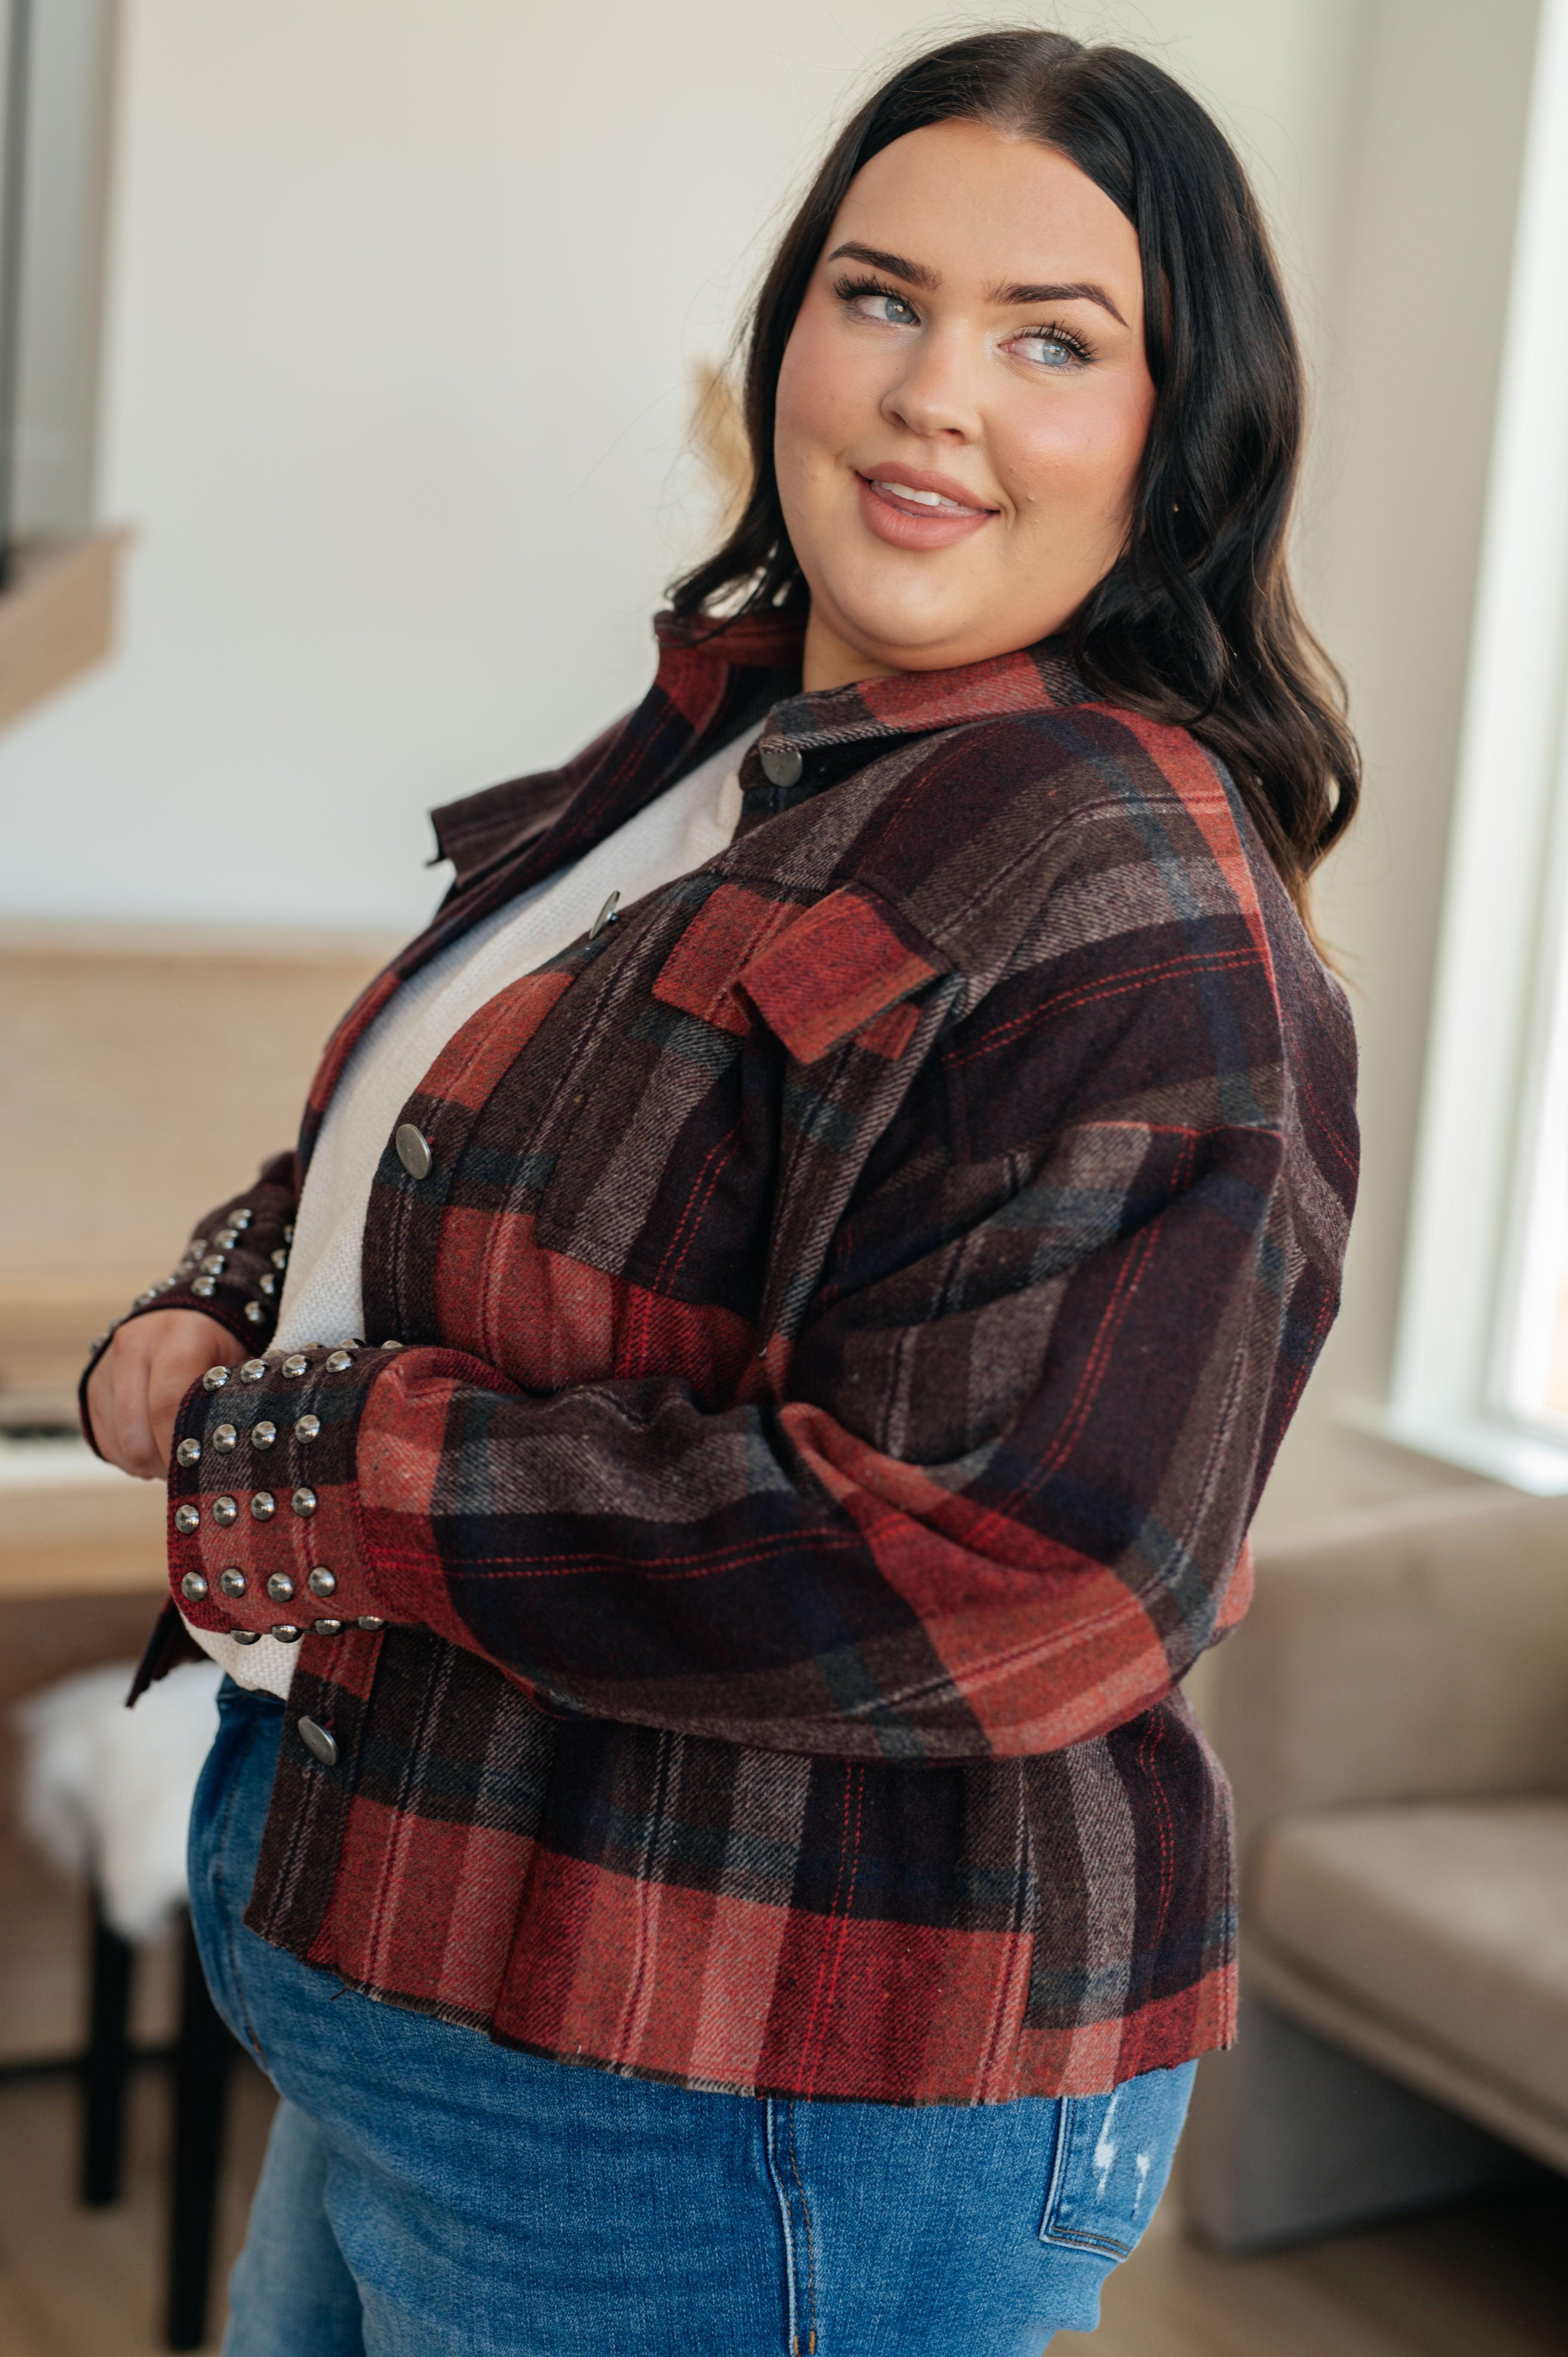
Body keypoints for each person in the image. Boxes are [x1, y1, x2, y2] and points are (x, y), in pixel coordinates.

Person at [83, 28, 1359, 2355]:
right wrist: (226, 1293)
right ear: (788, 336)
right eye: (880, 298)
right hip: (424, 1974)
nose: (930, 395)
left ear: (1181, 437)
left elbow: (1026, 1568)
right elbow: (438, 1131)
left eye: (1050, 340)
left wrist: (303, 1464)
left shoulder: (1130, 902)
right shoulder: (731, 741)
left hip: (741, 2101)